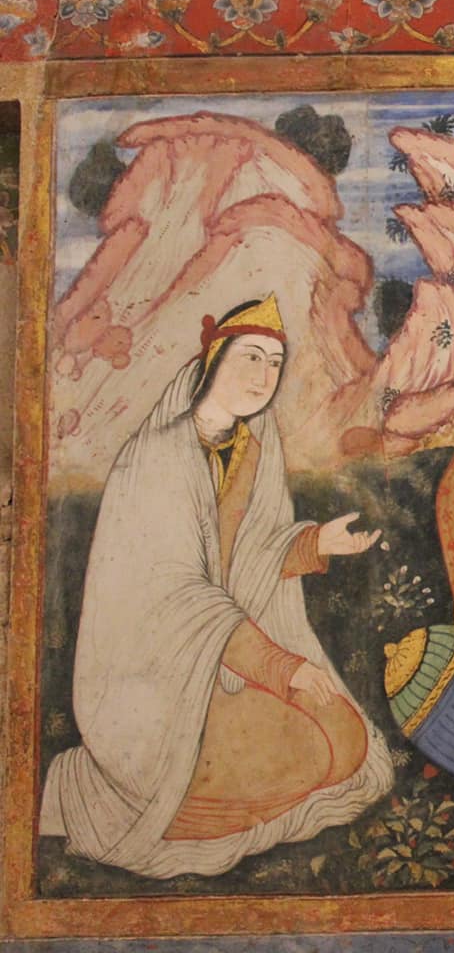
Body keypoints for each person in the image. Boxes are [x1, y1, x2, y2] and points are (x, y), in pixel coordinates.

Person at [40, 295, 394, 879]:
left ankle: (209, 804)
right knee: (312, 751)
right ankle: (149, 800)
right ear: (214, 360)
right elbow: (179, 595)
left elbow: (248, 558)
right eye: (250, 357)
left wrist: (313, 544)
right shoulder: (159, 456)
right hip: (159, 680)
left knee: (347, 740)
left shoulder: (252, 449)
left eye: (275, 364)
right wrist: (283, 668)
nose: (263, 377)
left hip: (227, 664)